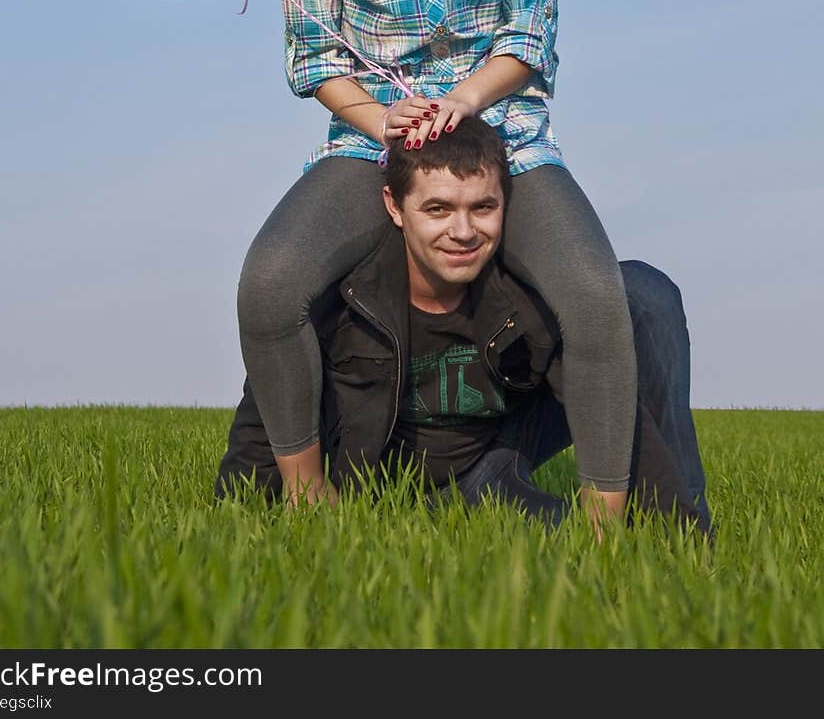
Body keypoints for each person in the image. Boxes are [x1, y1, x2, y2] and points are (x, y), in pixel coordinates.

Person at [235, 0, 638, 523]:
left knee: (600, 298)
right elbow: (311, 55)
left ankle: (611, 539)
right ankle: (311, 508)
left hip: (505, 131)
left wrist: (460, 102)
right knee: (269, 286)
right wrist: (385, 120)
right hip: (372, 141)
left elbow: (531, 33)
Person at [218, 119, 711, 536]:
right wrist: (246, 512)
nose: (462, 231)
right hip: (386, 495)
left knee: (641, 291)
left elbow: (609, 400)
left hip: (491, 463)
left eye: (482, 207)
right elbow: (269, 408)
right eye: (437, 209)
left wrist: (677, 535)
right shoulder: (343, 297)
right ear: (396, 207)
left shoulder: (530, 295)